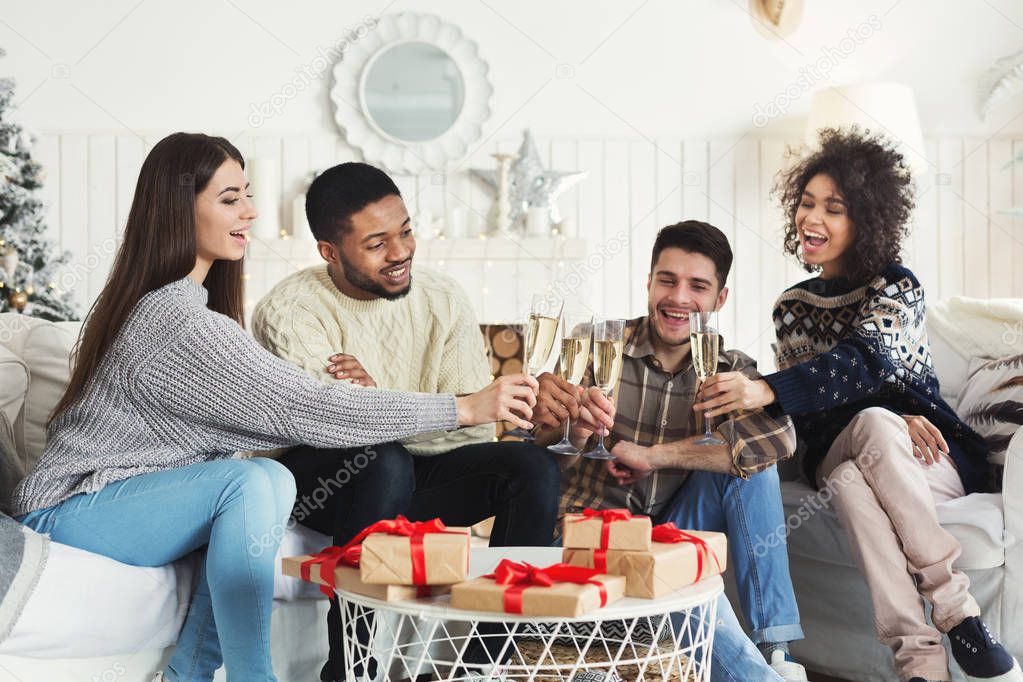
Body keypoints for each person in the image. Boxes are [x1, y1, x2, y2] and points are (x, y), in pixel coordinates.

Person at [10, 133, 534, 682]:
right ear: (178, 209)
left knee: (253, 483)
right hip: (67, 513)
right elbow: (310, 408)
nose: (251, 212)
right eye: (229, 198)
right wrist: (464, 408)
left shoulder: (192, 308)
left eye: (248, 194)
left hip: (115, 506)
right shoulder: (176, 322)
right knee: (257, 482)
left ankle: (189, 673)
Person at [697, 127, 1021, 682]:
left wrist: (772, 388)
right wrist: (889, 417)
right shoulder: (792, 306)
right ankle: (957, 616)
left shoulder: (899, 288)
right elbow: (817, 415)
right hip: (847, 445)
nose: (812, 218)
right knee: (867, 434)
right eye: (806, 203)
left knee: (855, 470)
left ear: (865, 219)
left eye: (834, 208)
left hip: (932, 459)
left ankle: (922, 656)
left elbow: (864, 360)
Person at [252, 161, 560, 682]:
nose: (400, 253)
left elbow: (477, 429)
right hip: (322, 484)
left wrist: (381, 402)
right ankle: (350, 666)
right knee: (382, 461)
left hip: (418, 470)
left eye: (406, 231)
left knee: (531, 467)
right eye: (376, 244)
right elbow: (333, 424)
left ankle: (481, 666)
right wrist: (383, 412)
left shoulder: (443, 298)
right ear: (330, 251)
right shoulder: (289, 310)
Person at [535, 220, 807, 681]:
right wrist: (576, 434)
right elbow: (537, 455)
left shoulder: (730, 369)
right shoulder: (598, 345)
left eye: (697, 286)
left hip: (673, 532)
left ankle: (774, 650)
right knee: (684, 574)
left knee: (752, 470)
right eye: (667, 280)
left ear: (720, 299)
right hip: (591, 538)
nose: (679, 298)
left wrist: (653, 455)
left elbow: (778, 443)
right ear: (648, 282)